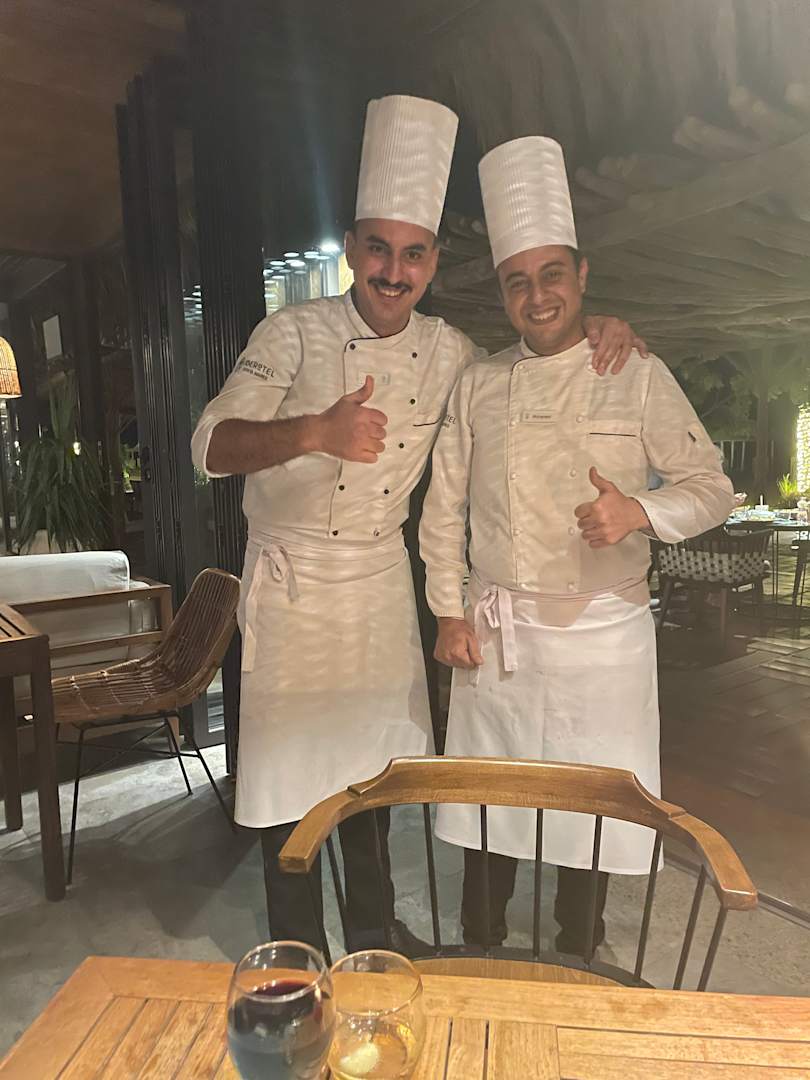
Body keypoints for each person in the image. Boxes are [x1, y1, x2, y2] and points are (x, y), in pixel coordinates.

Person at [192, 100, 643, 954]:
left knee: (375, 784)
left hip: (376, 586)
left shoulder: (451, 354)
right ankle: (298, 955)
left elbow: (526, 369)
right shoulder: (290, 333)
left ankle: (373, 937)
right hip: (292, 588)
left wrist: (599, 332)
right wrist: (315, 431)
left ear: (433, 263)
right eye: (378, 249)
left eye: (413, 254)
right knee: (287, 788)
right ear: (351, 248)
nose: (392, 272)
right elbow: (209, 446)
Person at [419, 135, 736, 955]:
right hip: (498, 635)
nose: (539, 296)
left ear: (582, 275)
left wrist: (639, 512)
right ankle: (480, 949)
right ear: (504, 292)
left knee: (591, 811)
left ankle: (577, 952)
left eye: (552, 274)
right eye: (518, 281)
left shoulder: (635, 372)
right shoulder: (479, 384)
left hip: (604, 637)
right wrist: (448, 613)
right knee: (490, 806)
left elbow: (712, 488)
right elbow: (442, 509)